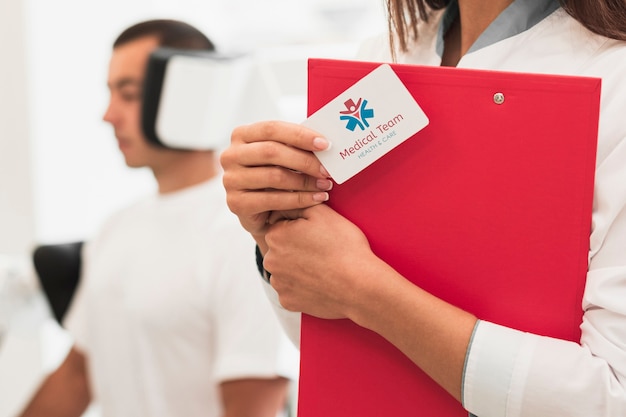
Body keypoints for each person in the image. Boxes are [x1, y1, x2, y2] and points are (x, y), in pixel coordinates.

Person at [220, 1, 626, 416]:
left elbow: (611, 395)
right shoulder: (384, 55)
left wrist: (365, 292)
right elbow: (336, 352)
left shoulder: (614, 75)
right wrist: (277, 228)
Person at [20, 19, 298, 417]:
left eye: (129, 95)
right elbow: (78, 374)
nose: (109, 115)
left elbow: (252, 405)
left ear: (191, 95)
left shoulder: (244, 236)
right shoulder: (116, 227)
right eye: (111, 93)